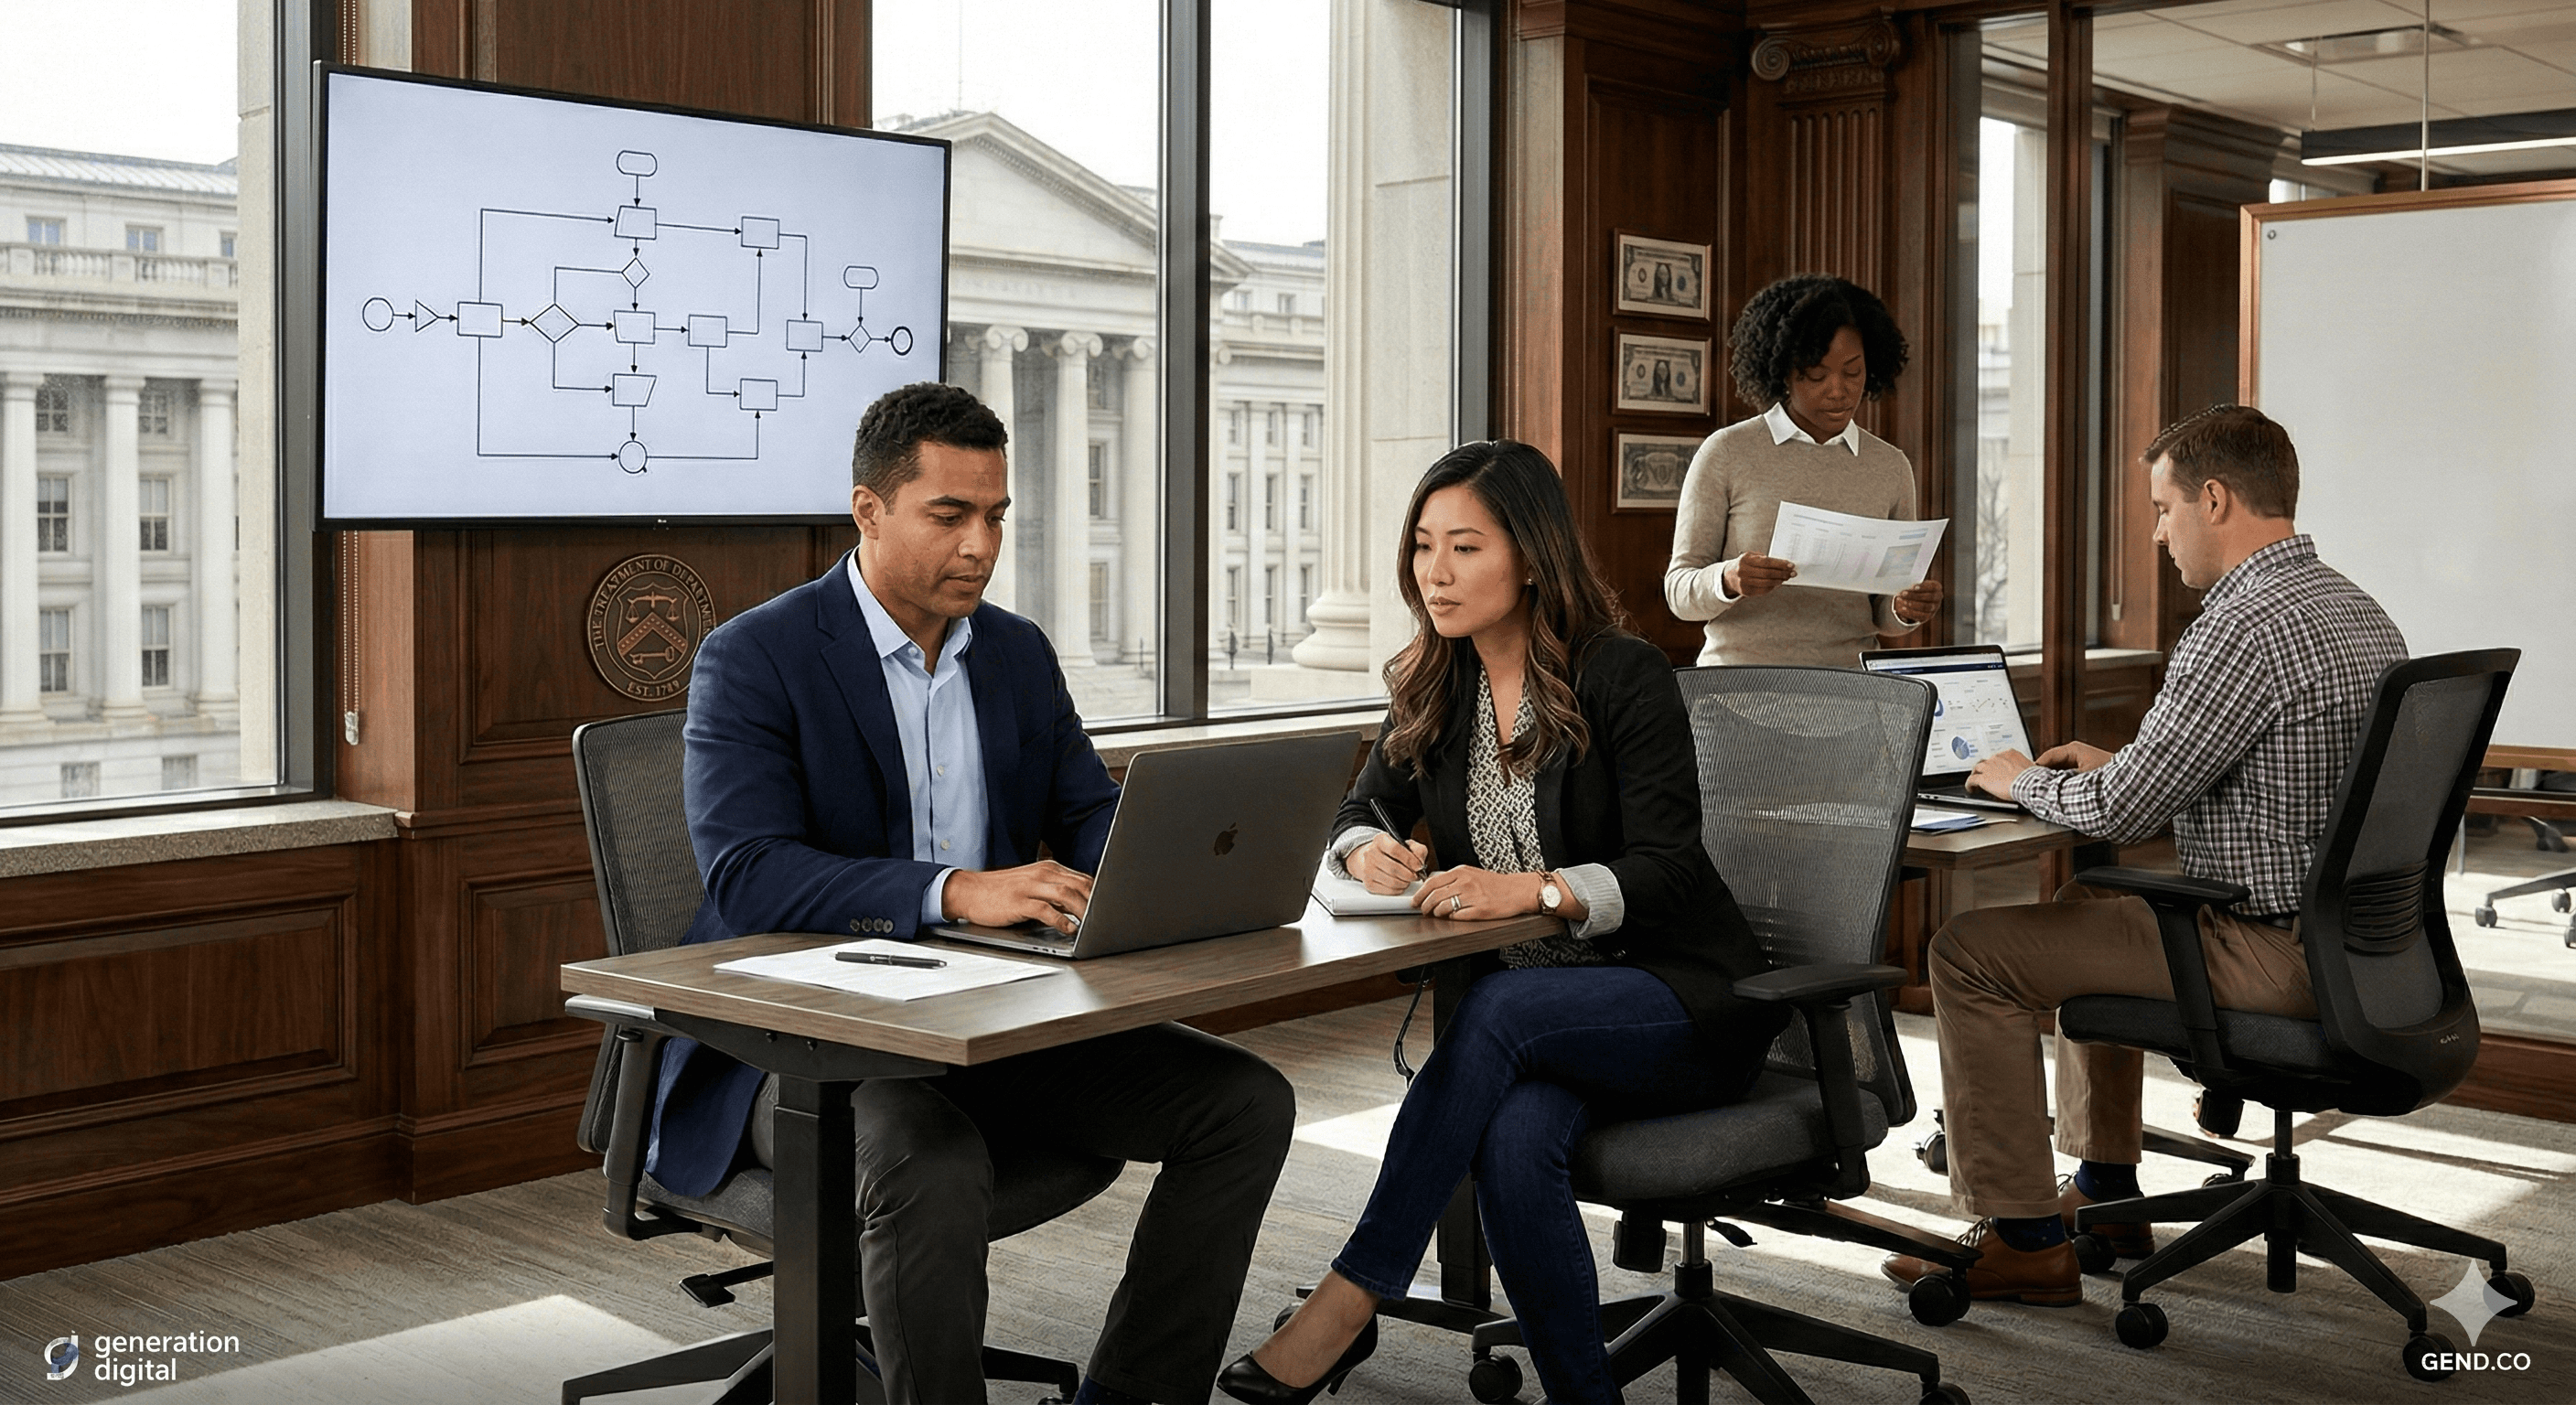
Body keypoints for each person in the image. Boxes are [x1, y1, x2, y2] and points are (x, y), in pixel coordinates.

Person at [654, 381, 1297, 1405]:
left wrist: (1149, 869)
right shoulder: (757, 656)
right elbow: (747, 870)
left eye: (995, 516)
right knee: (931, 1157)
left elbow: (1085, 808)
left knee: (1242, 1104)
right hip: (811, 1050)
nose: (980, 545)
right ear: (868, 511)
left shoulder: (1014, 653)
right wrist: (953, 890)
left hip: (992, 1022)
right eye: (948, 515)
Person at [1217, 441, 1788, 1405]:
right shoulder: (1435, 684)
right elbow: (1357, 809)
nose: (1433, 574)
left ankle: (1351, 1296)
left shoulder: (1621, 674)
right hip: (1535, 1035)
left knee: (1500, 1012)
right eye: (1422, 548)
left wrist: (1533, 892)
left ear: (1527, 555)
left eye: (1463, 548)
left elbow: (1667, 868)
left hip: (1680, 1004)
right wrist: (1365, 849)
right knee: (1517, 1143)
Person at [1882, 405, 2407, 1305]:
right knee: (2090, 904)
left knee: (1967, 954)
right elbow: (2257, 770)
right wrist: (2115, 764)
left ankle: (2024, 1241)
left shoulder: (2240, 626)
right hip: (2355, 946)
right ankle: (2103, 1189)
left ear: (2212, 498)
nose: (2157, 533)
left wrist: (2013, 780)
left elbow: (2121, 808)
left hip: (2268, 953)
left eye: (2162, 509)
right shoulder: (2352, 609)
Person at [1663, 273, 1942, 666]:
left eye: (1852, 372)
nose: (1837, 389)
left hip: (1851, 697)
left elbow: (1883, 613)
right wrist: (1729, 579)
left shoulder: (1890, 466)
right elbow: (1678, 592)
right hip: (1737, 697)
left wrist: (1906, 608)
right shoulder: (1728, 452)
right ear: (1783, 371)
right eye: (1816, 374)